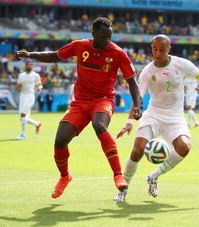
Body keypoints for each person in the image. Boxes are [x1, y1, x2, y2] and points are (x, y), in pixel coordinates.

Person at [14, 17, 142, 199]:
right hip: (80, 102)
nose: (108, 41)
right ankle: (65, 177)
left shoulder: (118, 53)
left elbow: (132, 82)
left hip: (103, 99)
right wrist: (30, 54)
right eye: (104, 37)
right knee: (60, 140)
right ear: (94, 34)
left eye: (110, 37)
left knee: (100, 126)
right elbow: (54, 55)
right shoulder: (80, 46)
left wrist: (137, 105)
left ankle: (118, 175)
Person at [114, 34, 199, 202]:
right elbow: (138, 98)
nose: (157, 53)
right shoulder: (148, 71)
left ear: (169, 49)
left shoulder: (181, 64)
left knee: (184, 147)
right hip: (153, 115)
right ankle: (123, 189)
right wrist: (129, 122)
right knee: (137, 150)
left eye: (162, 50)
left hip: (175, 117)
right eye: (154, 49)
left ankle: (154, 176)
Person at [15, 60, 43, 140]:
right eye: (28, 64)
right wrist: (18, 87)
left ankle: (23, 135)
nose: (29, 66)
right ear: (25, 65)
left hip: (30, 96)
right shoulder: (21, 75)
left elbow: (40, 84)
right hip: (22, 96)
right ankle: (37, 124)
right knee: (22, 118)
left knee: (23, 115)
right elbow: (17, 88)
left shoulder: (36, 75)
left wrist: (39, 88)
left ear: (32, 66)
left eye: (31, 65)